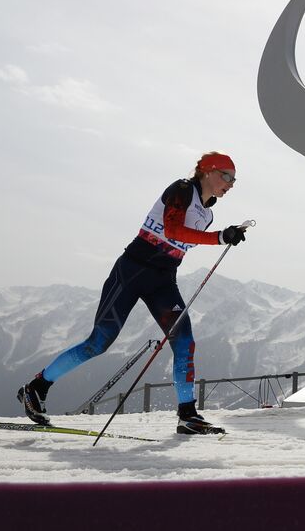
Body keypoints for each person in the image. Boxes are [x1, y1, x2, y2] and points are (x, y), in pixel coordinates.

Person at [17, 152, 249, 434]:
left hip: (163, 280)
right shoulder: (182, 189)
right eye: (227, 176)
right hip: (132, 272)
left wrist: (226, 234)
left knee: (184, 342)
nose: (231, 183)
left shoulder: (208, 213)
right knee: (98, 343)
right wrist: (220, 237)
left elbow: (185, 239)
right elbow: (173, 229)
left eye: (234, 179)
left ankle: (187, 415)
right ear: (208, 171)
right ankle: (36, 387)